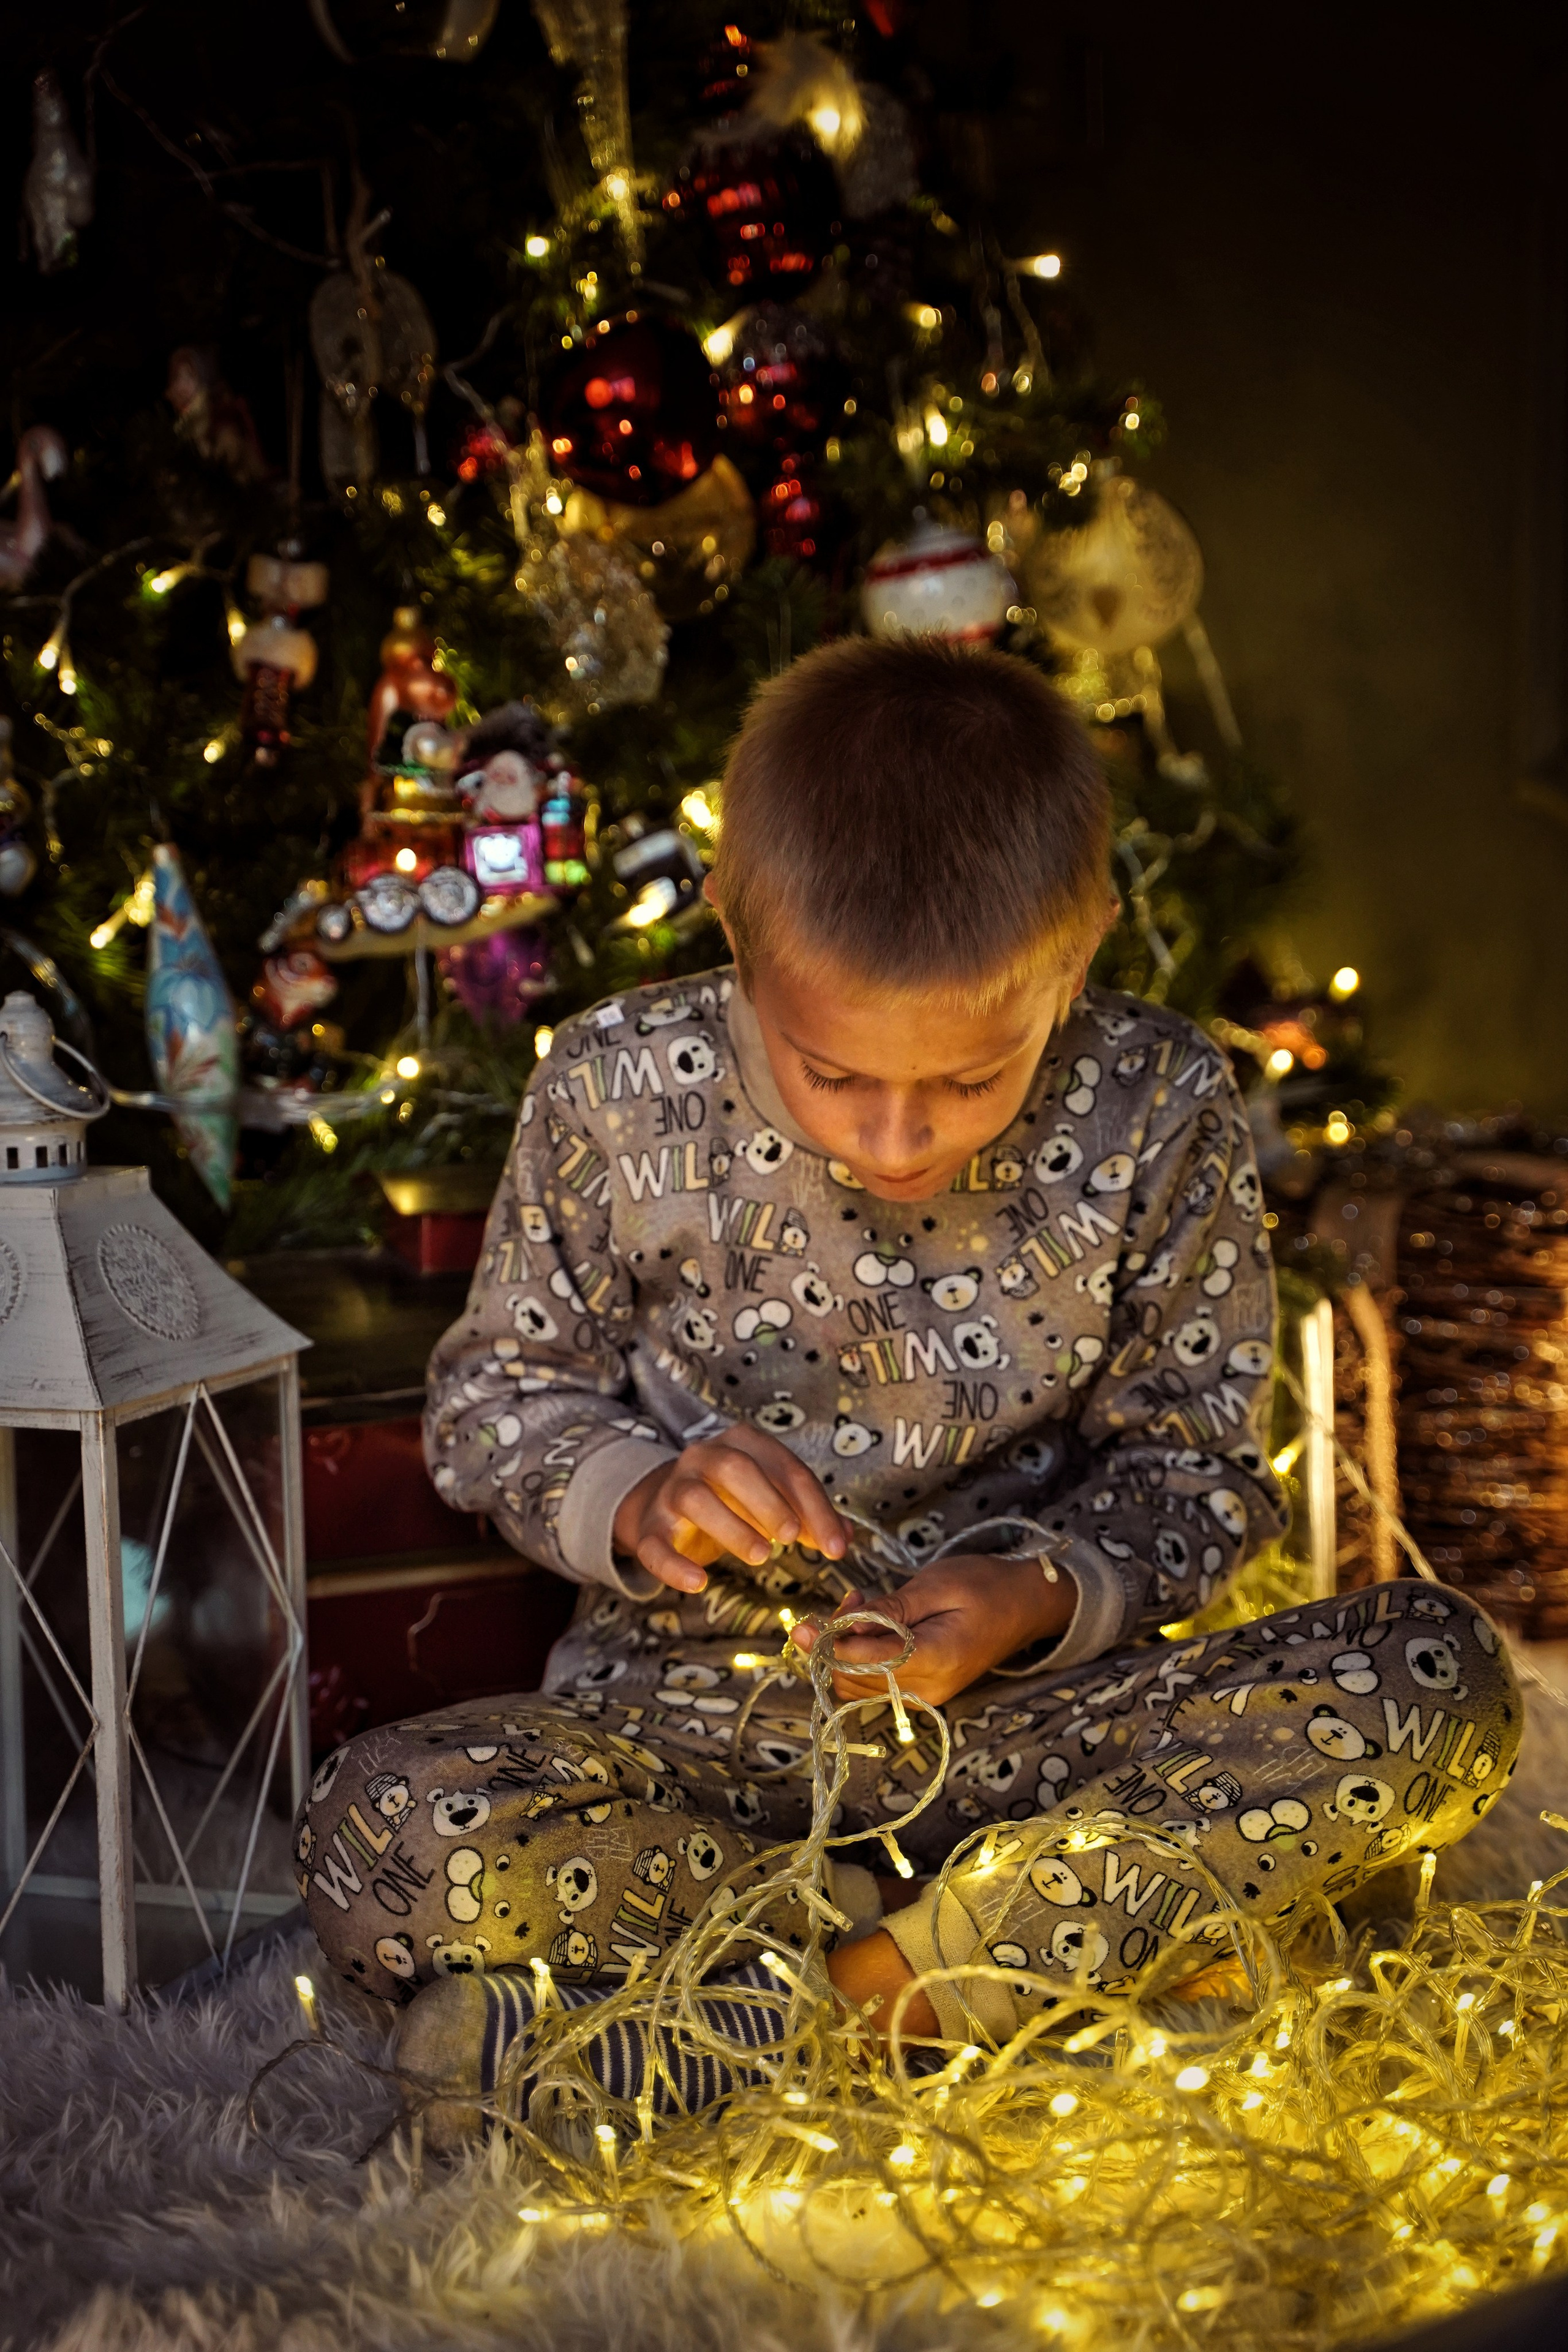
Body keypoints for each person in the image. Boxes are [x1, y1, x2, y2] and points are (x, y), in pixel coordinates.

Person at [295, 638, 1520, 2131]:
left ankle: (798, 2018)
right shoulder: (609, 1085)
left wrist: (1030, 1600)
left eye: (963, 1082)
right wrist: (644, 1498)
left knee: (1432, 1677)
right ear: (737, 937)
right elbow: (497, 1400)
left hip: (1049, 1731)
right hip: (696, 1732)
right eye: (830, 1077)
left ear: (1073, 962)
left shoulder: (1162, 1102)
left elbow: (1195, 1468)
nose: (891, 1139)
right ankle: (1040, 1948)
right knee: (381, 1826)